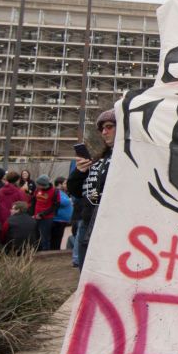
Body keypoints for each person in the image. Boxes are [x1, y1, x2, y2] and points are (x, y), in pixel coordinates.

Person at [68, 109, 115, 268]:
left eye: (109, 127)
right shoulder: (100, 158)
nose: (104, 132)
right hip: (88, 221)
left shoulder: (129, 158)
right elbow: (75, 190)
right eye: (102, 129)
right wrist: (79, 172)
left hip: (110, 226)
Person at [30, 175, 57, 250]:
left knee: (45, 237)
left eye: (38, 184)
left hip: (47, 218)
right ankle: (37, 251)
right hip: (35, 216)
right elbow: (34, 201)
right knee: (35, 235)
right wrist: (32, 213)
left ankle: (45, 252)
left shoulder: (55, 191)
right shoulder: (37, 190)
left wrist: (42, 214)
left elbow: (55, 206)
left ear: (43, 185)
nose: (37, 186)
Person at [51, 176, 72, 251]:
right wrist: (70, 200)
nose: (67, 185)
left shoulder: (63, 193)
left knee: (59, 238)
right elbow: (61, 202)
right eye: (65, 183)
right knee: (56, 239)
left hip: (62, 221)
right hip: (58, 220)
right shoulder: (57, 192)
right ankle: (54, 253)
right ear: (59, 184)